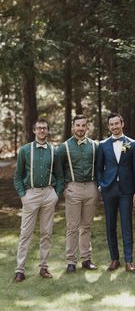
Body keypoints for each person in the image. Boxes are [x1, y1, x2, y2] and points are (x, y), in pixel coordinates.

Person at [13, 118, 61, 282]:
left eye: (44, 128)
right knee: (25, 233)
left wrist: (56, 194)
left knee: (46, 233)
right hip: (30, 195)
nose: (41, 131)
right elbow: (18, 176)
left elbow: (59, 175)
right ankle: (20, 270)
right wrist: (22, 195)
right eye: (39, 128)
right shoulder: (25, 150)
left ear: (47, 131)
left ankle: (44, 267)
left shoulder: (54, 151)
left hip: (48, 194)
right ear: (34, 131)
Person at [96, 113, 135, 273]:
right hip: (108, 190)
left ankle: (129, 261)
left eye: (117, 123)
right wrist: (101, 185)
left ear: (122, 123)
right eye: (111, 124)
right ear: (108, 126)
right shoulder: (102, 145)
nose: (114, 126)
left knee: (126, 224)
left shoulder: (133, 144)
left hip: (126, 190)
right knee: (110, 225)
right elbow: (99, 168)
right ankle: (114, 259)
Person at [57, 115, 98, 273]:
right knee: (72, 227)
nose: (80, 128)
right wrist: (64, 189)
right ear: (73, 127)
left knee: (86, 226)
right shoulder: (64, 147)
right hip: (73, 189)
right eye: (78, 125)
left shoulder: (94, 146)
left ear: (87, 127)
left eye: (83, 125)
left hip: (91, 189)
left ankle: (86, 259)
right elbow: (57, 170)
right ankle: (71, 261)